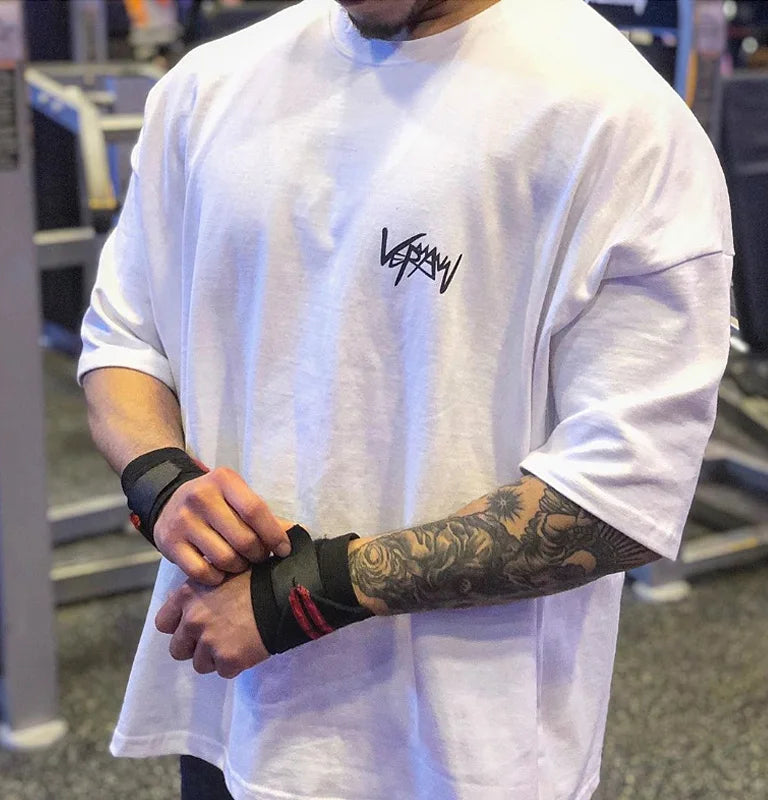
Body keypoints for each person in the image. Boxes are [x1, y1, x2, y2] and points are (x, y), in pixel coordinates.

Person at [78, 0, 734, 798]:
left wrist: (300, 598)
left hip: (459, 756)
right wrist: (163, 483)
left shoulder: (622, 124)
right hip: (232, 711)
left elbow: (624, 496)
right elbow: (124, 344)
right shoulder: (206, 88)